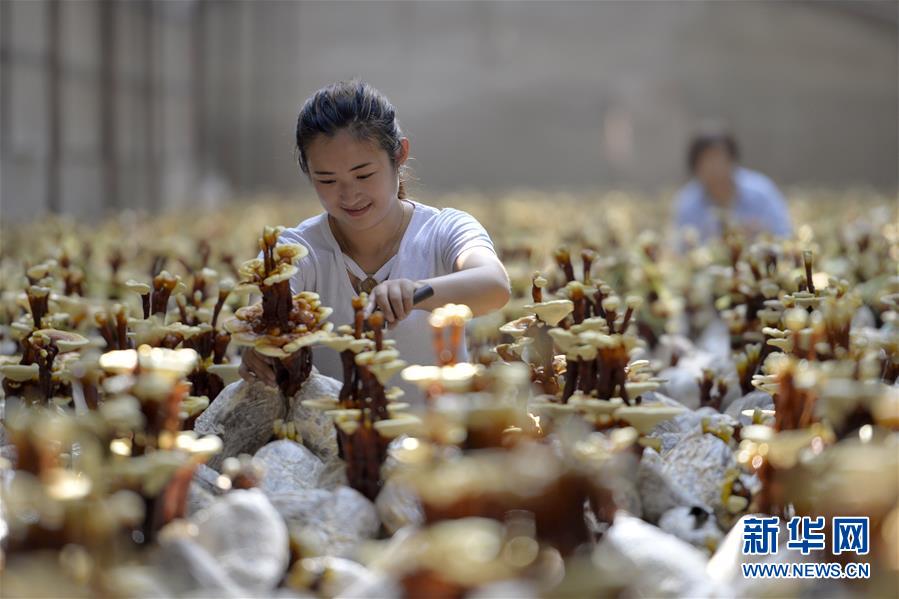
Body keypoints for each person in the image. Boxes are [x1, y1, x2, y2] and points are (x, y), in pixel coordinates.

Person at [239, 80, 511, 400]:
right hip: (328, 445)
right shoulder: (294, 249)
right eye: (327, 180)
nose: (349, 194)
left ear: (400, 155)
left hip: (437, 440)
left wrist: (416, 292)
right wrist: (259, 350)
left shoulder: (445, 230)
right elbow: (262, 312)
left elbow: (495, 284)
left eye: (364, 174)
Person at [673, 129, 792, 249]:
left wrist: (761, 234)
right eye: (706, 161)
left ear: (732, 160)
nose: (714, 168)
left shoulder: (760, 192)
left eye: (718, 158)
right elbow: (680, 248)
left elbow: (784, 233)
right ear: (695, 167)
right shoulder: (688, 203)